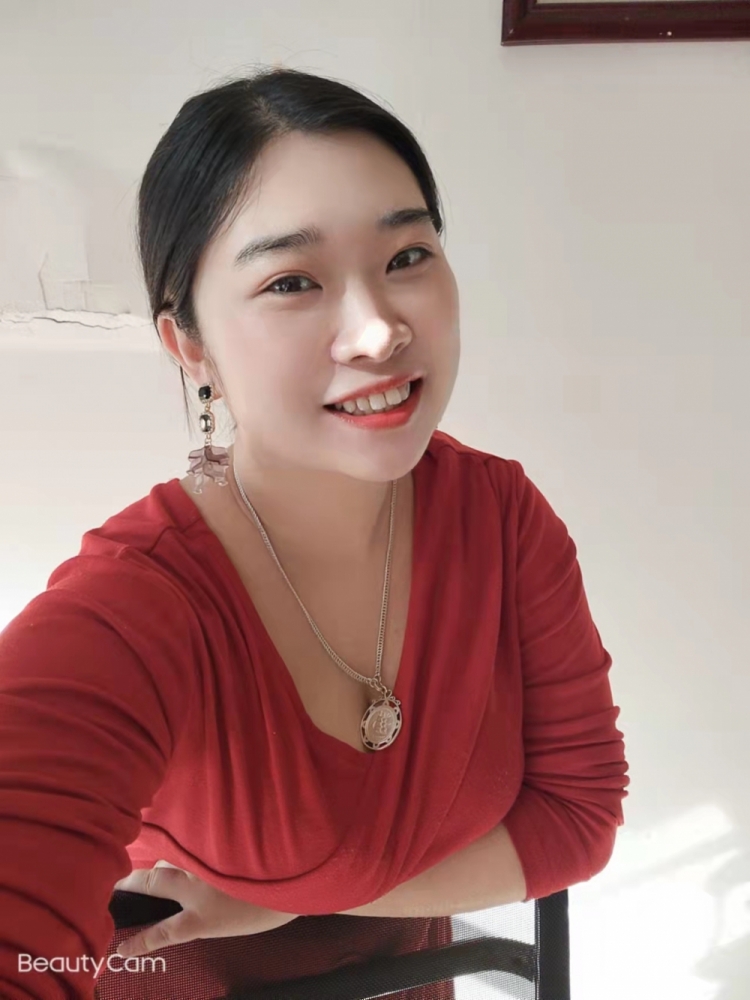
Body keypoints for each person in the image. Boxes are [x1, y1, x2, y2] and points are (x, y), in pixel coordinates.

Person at [0, 67, 630, 1000]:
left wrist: (293, 897)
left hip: (412, 972)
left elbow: (578, 818)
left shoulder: (502, 519)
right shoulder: (132, 607)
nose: (377, 332)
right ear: (191, 346)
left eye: (407, 256)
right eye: (292, 281)